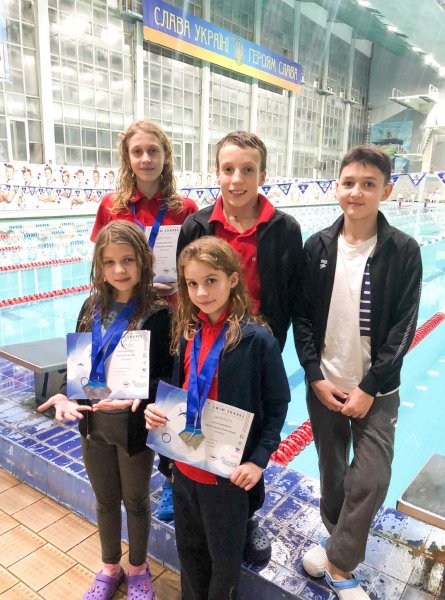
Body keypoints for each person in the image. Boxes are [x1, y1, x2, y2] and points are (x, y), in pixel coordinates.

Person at [168, 130, 303, 561]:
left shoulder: (284, 229)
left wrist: (270, 347)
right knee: (198, 417)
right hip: (204, 341)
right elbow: (186, 288)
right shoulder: (197, 225)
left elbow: (289, 297)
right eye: (228, 169)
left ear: (263, 174)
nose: (237, 179)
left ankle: (245, 515)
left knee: (250, 434)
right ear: (216, 172)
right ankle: (184, 486)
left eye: (247, 169)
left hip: (253, 352)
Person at [297, 145, 422, 599]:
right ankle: (338, 548)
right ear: (337, 188)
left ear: (386, 191)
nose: (357, 192)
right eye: (349, 182)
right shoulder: (318, 246)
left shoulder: (403, 250)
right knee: (331, 474)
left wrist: (370, 386)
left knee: (370, 478)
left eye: (369, 184)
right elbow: (302, 317)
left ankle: (338, 564)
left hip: (378, 391)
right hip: (325, 385)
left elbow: (406, 326)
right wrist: (314, 374)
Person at [144, 236, 290, 600]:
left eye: (211, 281)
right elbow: (180, 393)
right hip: (184, 470)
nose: (201, 292)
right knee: (190, 556)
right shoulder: (187, 332)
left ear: (233, 279)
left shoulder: (258, 341)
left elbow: (278, 405)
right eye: (192, 283)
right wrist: (159, 414)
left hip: (227, 478)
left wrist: (258, 461)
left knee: (224, 566)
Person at [38, 220, 172, 600]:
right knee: (106, 500)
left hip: (132, 428)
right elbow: (79, 365)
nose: (119, 270)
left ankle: (139, 567)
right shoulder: (90, 306)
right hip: (93, 423)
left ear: (143, 260)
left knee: (136, 501)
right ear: (99, 264)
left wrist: (146, 398)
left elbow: (166, 376)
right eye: (109, 262)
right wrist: (66, 396)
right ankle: (110, 567)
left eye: (128, 260)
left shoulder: (158, 312)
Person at [91, 118, 198, 295]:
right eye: (137, 152)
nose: (146, 159)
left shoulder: (186, 209)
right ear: (128, 158)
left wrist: (181, 285)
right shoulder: (110, 205)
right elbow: (101, 264)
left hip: (172, 305)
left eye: (153, 151)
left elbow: (199, 265)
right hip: (125, 304)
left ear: (166, 156)